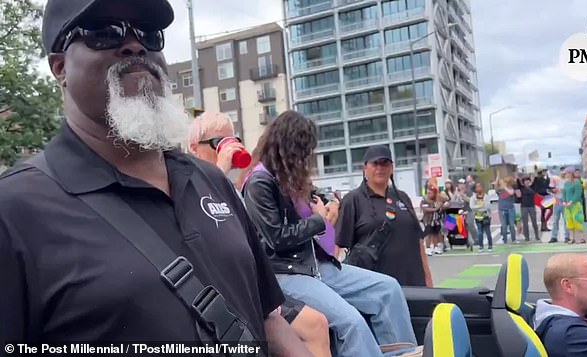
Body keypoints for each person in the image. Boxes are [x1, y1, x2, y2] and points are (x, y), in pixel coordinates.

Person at [0, 1, 312, 355]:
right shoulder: (15, 210)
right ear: (60, 68)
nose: (135, 45)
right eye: (104, 31)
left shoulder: (210, 180)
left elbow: (269, 320)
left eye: (149, 33)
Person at [241, 111, 420, 357]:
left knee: (388, 289)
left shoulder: (289, 178)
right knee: (351, 323)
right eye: (304, 150)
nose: (307, 157)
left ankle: (402, 353)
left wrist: (326, 208)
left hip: (314, 264)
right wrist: (319, 219)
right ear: (288, 147)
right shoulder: (259, 183)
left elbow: (317, 208)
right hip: (285, 272)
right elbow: (277, 238)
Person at [188, 111, 332, 357]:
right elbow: (198, 221)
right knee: (315, 325)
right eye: (217, 143)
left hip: (252, 287)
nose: (229, 148)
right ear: (194, 148)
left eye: (233, 140)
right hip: (219, 294)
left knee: (318, 325)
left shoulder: (236, 185)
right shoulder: (188, 180)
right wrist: (220, 168)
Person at [335, 145, 433, 287]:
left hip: (413, 281)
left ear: (392, 168)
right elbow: (340, 246)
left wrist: (427, 277)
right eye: (375, 163)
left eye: (385, 163)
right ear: (365, 168)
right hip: (375, 286)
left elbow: (418, 241)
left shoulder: (403, 197)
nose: (380, 168)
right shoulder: (353, 200)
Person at [420, 188, 445, 256]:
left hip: (436, 220)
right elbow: (425, 209)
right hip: (428, 220)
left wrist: (440, 205)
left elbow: (445, 199)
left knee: (435, 233)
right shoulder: (425, 200)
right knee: (429, 234)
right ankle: (428, 248)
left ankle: (436, 247)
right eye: (428, 193)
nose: (429, 194)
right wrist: (435, 209)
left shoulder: (437, 199)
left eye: (431, 193)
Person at [563, 169, 585, 244]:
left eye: (569, 173)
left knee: (577, 220)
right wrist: (564, 201)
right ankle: (571, 238)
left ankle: (582, 238)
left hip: (575, 205)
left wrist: (571, 201)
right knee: (569, 220)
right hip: (567, 206)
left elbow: (578, 194)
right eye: (566, 173)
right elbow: (564, 193)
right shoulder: (566, 183)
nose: (567, 175)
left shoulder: (576, 183)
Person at [494, 175, 518, 244]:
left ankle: (514, 239)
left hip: (510, 209)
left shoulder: (510, 188)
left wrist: (505, 187)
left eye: (504, 182)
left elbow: (511, 193)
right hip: (502, 210)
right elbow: (495, 185)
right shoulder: (499, 190)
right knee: (504, 226)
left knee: (511, 225)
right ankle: (505, 240)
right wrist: (498, 176)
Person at [470, 183, 493, 252]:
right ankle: (481, 246)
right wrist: (480, 207)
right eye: (477, 187)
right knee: (480, 232)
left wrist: (488, 212)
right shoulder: (473, 198)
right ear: (475, 189)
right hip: (478, 217)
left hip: (486, 216)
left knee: (488, 232)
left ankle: (490, 246)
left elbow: (487, 206)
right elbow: (472, 207)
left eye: (480, 186)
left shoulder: (486, 196)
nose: (479, 188)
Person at [549, 167, 570, 243]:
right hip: (557, 200)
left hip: (565, 201)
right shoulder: (555, 179)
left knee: (566, 219)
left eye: (565, 172)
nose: (563, 173)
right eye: (562, 172)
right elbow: (551, 188)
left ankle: (567, 236)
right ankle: (554, 237)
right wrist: (554, 190)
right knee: (555, 219)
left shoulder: (567, 181)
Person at [518, 175, 541, 241]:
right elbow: (518, 182)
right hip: (524, 207)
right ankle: (527, 237)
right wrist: (519, 177)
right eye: (525, 181)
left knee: (534, 222)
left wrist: (533, 177)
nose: (527, 182)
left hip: (531, 206)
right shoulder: (522, 188)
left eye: (528, 180)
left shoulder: (532, 187)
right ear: (524, 182)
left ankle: (537, 236)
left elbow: (536, 182)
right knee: (525, 223)